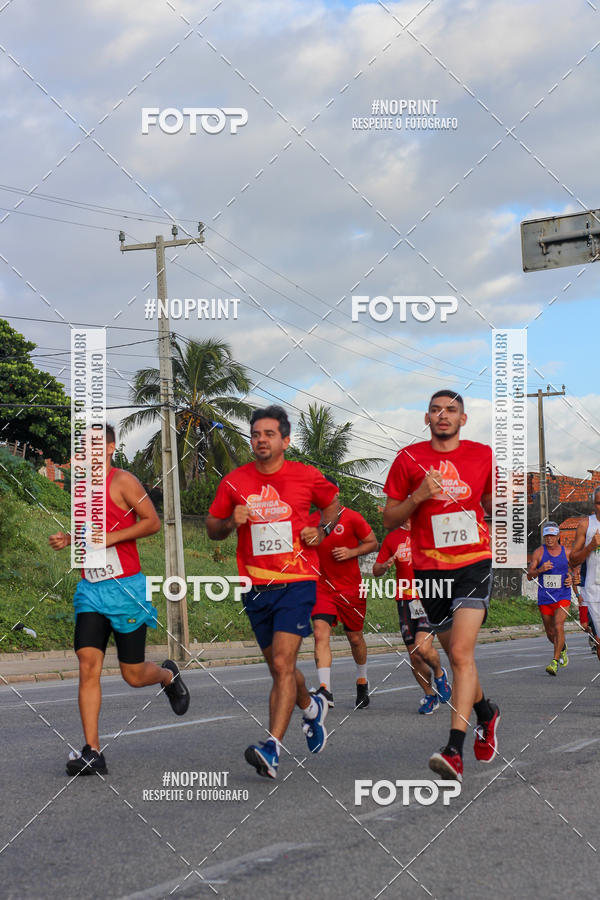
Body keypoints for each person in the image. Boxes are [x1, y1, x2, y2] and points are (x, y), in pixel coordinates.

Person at [206, 406, 339, 779]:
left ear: (285, 440)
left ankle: (272, 747)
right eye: (255, 434)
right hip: (255, 585)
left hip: (297, 581)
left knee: (282, 663)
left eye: (268, 434)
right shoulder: (234, 481)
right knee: (281, 668)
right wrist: (231, 521)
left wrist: (322, 530)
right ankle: (311, 708)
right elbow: (212, 527)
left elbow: (332, 505)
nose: (260, 440)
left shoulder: (306, 476)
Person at [49, 425, 190, 776]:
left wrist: (111, 538)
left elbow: (152, 522)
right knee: (87, 665)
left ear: (110, 447)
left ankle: (166, 675)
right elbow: (88, 534)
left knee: (132, 674)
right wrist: (69, 538)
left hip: (126, 589)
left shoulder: (123, 481)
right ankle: (92, 751)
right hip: (91, 590)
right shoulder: (80, 489)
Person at [382, 390, 499, 783]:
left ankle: (454, 749)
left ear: (463, 419)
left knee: (462, 653)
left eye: (451, 410)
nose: (443, 415)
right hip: (430, 571)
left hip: (473, 563)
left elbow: (489, 502)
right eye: (435, 410)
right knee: (455, 656)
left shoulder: (482, 455)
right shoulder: (407, 459)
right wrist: (419, 496)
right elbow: (388, 518)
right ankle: (486, 713)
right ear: (427, 417)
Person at [308, 482, 378, 709]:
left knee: (355, 638)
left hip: (351, 589)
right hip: (322, 588)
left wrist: (352, 552)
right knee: (320, 634)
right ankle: (325, 690)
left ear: (336, 493)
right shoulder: (311, 522)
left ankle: (362, 680)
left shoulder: (353, 518)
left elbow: (372, 543)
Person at [372, 524, 452, 714]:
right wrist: (384, 566)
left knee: (422, 646)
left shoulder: (431, 530)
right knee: (414, 655)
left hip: (430, 597)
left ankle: (440, 675)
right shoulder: (392, 538)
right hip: (405, 600)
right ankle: (430, 696)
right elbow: (376, 569)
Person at [527, 523, 572, 675]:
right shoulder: (539, 553)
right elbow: (529, 575)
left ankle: (554, 662)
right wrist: (540, 570)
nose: (549, 539)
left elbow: (576, 568)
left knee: (559, 626)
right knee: (550, 633)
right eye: (547, 536)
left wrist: (572, 577)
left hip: (563, 596)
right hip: (545, 597)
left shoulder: (567, 552)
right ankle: (563, 647)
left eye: (552, 536)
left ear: (558, 537)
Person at [570, 487, 600, 663]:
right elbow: (573, 560)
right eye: (598, 503)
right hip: (593, 591)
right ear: (594, 504)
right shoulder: (586, 526)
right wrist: (590, 547)